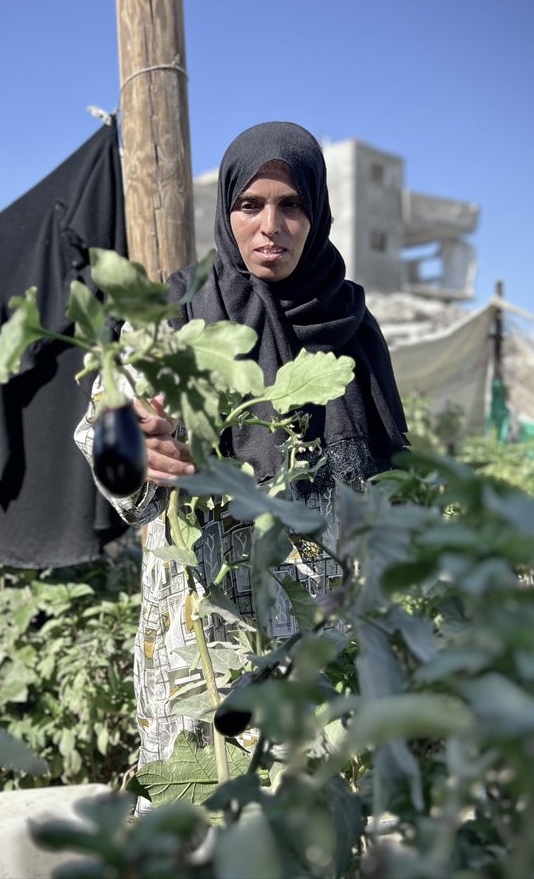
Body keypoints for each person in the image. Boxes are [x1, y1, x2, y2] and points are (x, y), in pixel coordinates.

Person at [74, 121, 409, 783]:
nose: (271, 226)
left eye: (291, 206)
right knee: (199, 819)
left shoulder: (352, 330)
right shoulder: (171, 324)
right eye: (250, 205)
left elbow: (382, 483)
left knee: (307, 826)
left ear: (316, 215)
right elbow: (101, 435)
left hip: (316, 642)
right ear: (226, 213)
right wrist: (135, 448)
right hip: (201, 644)